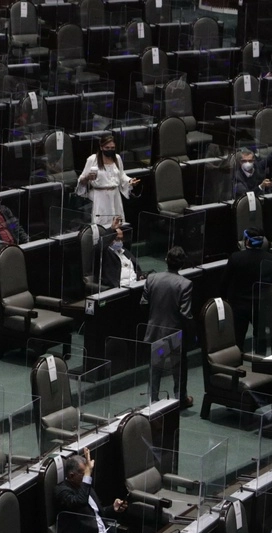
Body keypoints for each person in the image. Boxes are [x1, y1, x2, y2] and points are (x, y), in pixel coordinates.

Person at [53, 449, 140, 533]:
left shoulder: (86, 487)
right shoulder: (62, 491)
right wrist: (87, 475)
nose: (88, 478)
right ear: (71, 475)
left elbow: (97, 514)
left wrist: (113, 509)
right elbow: (80, 502)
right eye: (84, 474)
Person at [142, 246, 194, 407]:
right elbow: (185, 314)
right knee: (178, 369)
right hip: (175, 335)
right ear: (182, 263)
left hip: (155, 331)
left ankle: (153, 400)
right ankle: (181, 399)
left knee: (156, 368)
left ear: (166, 260)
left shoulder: (151, 278)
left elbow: (144, 303)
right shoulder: (185, 284)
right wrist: (192, 332)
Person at [221, 228, 272, 349]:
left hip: (239, 306)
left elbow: (225, 282)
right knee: (260, 337)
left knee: (238, 338)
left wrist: (225, 300)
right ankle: (261, 363)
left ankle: (237, 365)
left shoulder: (236, 258)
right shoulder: (271, 259)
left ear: (246, 241)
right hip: (260, 305)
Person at [76, 134, 140, 228]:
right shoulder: (92, 159)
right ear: (101, 147)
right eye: (107, 147)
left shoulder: (117, 158)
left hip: (115, 196)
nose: (110, 150)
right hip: (100, 197)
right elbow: (81, 180)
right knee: (101, 225)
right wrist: (87, 177)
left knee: (117, 224)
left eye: (112, 147)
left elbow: (121, 175)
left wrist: (130, 181)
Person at [232, 125, 272, 198]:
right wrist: (261, 186)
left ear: (254, 160)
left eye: (250, 160)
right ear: (240, 162)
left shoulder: (258, 166)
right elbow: (247, 196)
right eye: (244, 161)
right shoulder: (237, 177)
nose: (247, 163)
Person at [96, 220, 144, 290]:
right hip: (121, 288)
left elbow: (135, 267)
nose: (119, 241)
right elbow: (100, 246)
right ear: (110, 238)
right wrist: (112, 229)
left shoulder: (125, 251)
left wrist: (140, 276)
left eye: (121, 239)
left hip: (136, 284)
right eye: (117, 239)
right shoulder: (104, 253)